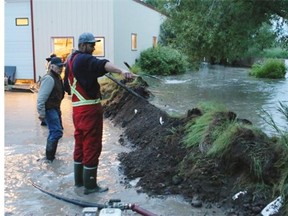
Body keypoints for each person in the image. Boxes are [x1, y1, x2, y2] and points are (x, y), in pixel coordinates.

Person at [64, 32, 135, 195]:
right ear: (82, 45)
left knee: (80, 144)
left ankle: (79, 183)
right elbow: (102, 65)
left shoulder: (70, 61)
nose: (93, 48)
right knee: (92, 145)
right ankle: (90, 186)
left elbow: (67, 88)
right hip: (89, 111)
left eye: (94, 45)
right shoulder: (84, 58)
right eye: (91, 45)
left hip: (77, 109)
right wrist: (121, 71)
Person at [37, 57, 65, 162]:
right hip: (49, 109)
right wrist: (41, 113)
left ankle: (49, 156)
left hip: (55, 108)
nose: (61, 68)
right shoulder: (49, 78)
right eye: (59, 66)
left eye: (62, 66)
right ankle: (49, 158)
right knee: (57, 132)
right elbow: (41, 98)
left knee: (54, 132)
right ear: (52, 66)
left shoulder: (58, 77)